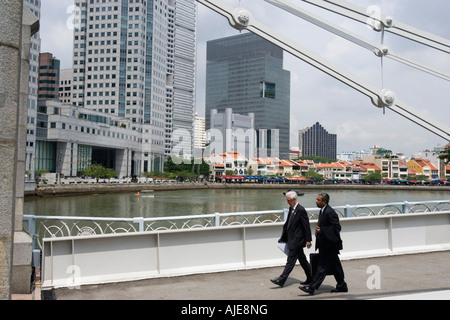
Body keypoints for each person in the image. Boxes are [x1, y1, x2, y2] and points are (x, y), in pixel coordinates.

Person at [299, 193, 348, 295]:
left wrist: (322, 230)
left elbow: (337, 228)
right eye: (316, 199)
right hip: (325, 244)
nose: (316, 201)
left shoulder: (330, 212)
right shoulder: (323, 211)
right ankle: (342, 285)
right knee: (335, 266)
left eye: (318, 200)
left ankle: (312, 288)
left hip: (329, 245)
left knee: (322, 267)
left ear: (324, 202)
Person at [270, 191, 313, 287]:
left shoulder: (301, 210)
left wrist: (308, 240)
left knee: (290, 261)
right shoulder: (291, 208)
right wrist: (283, 238)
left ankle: (281, 280)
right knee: (303, 260)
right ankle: (311, 277)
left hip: (297, 240)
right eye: (287, 200)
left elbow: (306, 226)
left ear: (294, 199)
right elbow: (288, 225)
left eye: (289, 200)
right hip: (291, 239)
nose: (287, 202)